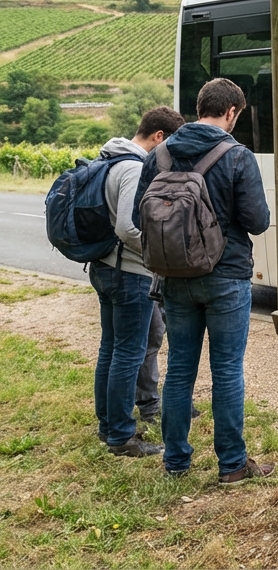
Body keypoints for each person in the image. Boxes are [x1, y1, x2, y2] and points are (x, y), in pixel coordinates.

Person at [133, 78, 273, 484]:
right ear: (231, 112)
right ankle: (232, 464)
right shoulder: (237, 155)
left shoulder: (159, 155)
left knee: (179, 369)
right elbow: (258, 221)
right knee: (226, 369)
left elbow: (137, 217)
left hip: (175, 278)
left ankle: (175, 461)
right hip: (226, 275)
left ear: (200, 108)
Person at [90, 105, 184, 457]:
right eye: (169, 144)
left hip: (104, 266)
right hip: (128, 271)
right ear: (159, 137)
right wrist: (157, 250)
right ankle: (121, 436)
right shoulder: (132, 167)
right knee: (127, 353)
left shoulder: (109, 157)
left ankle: (108, 425)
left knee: (111, 349)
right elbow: (128, 227)